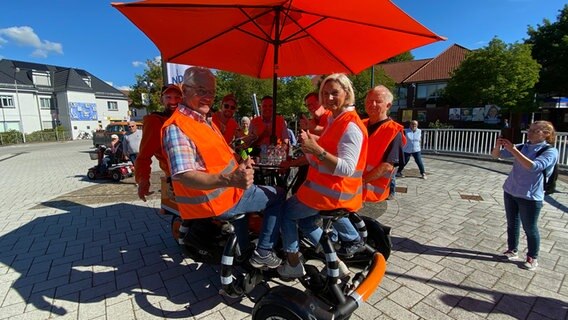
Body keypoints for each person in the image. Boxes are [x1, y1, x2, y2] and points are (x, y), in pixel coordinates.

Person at [162, 67, 285, 262]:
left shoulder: (205, 121)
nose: (208, 97)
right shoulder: (180, 126)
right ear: (184, 90)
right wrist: (230, 178)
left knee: (249, 203)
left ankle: (244, 252)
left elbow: (229, 150)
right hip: (216, 199)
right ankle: (264, 251)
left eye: (211, 92)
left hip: (229, 190)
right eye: (201, 91)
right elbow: (183, 174)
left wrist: (243, 159)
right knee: (278, 194)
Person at [250, 73, 368, 278]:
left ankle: (293, 264)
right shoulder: (335, 118)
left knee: (285, 212)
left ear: (347, 93)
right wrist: (310, 146)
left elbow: (346, 168)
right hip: (323, 190)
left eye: (334, 93)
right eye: (325, 93)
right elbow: (322, 154)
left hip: (331, 194)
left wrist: (315, 149)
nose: (329, 97)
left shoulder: (350, 125)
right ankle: (333, 260)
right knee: (305, 222)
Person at [491, 121, 559, 271]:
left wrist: (514, 150)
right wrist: (498, 145)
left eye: (535, 130)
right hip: (511, 190)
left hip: (530, 196)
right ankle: (512, 250)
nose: (530, 132)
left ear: (546, 134)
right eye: (530, 129)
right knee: (512, 223)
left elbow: (533, 167)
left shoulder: (550, 151)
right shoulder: (523, 146)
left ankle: (532, 257)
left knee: (530, 228)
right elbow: (497, 156)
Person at [136, 84, 182, 201]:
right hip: (176, 179)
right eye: (168, 97)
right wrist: (143, 180)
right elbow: (144, 156)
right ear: (162, 100)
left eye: (177, 97)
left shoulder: (188, 118)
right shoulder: (155, 122)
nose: (173, 101)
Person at [362, 86, 405, 202]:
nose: (373, 104)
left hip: (370, 193)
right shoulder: (360, 124)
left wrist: (360, 181)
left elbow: (387, 166)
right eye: (370, 101)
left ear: (388, 106)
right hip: (353, 188)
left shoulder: (393, 131)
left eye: (378, 101)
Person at [291, 92, 332, 194]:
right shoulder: (312, 121)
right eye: (308, 105)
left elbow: (331, 138)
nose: (311, 107)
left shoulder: (330, 118)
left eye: (313, 104)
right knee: (297, 190)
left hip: (325, 169)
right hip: (312, 165)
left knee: (299, 191)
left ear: (321, 102)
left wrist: (310, 135)